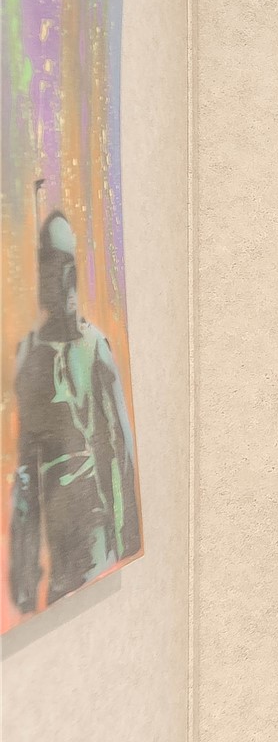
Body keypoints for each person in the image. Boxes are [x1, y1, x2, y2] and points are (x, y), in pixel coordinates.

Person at [9, 207, 140, 614]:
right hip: (60, 555)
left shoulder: (96, 347)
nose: (59, 280)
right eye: (50, 269)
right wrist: (25, 574)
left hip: (99, 543)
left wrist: (128, 540)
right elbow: (27, 476)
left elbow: (118, 451)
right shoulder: (29, 357)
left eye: (65, 269)